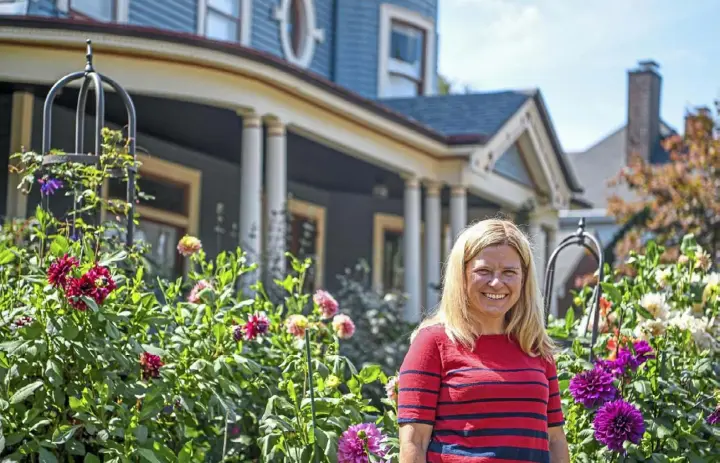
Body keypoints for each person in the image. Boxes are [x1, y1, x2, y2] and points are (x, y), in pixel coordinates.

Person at [397, 219, 570, 463]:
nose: (496, 283)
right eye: (484, 271)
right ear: (462, 275)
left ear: (523, 279)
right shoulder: (432, 343)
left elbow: (555, 440)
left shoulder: (535, 347)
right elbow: (414, 442)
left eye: (509, 272)